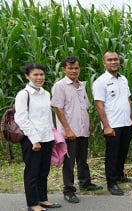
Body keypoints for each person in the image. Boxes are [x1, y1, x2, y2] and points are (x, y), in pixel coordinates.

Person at [51, 57, 102, 204]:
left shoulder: (81, 86)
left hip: (82, 129)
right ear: (63, 69)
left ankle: (85, 182)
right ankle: (68, 190)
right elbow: (58, 108)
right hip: (69, 132)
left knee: (82, 158)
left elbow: (84, 107)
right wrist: (67, 130)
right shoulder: (60, 86)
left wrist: (89, 124)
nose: (74, 71)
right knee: (69, 161)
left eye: (76, 68)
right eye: (70, 68)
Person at [15, 63, 62, 211]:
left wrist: (52, 136)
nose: (39, 77)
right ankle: (33, 203)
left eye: (41, 74)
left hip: (46, 138)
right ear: (27, 76)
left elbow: (48, 118)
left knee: (43, 171)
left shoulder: (46, 93)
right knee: (32, 172)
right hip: (32, 140)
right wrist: (34, 139)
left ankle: (43, 199)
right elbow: (21, 119)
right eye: (35, 75)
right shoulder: (24, 94)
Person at [92, 51, 132, 196]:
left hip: (126, 122)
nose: (113, 62)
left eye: (116, 59)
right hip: (112, 124)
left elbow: (128, 100)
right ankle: (112, 183)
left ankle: (120, 175)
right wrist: (106, 126)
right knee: (112, 154)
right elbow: (99, 105)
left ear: (119, 61)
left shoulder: (123, 79)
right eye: (110, 60)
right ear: (104, 63)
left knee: (123, 152)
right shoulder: (100, 81)